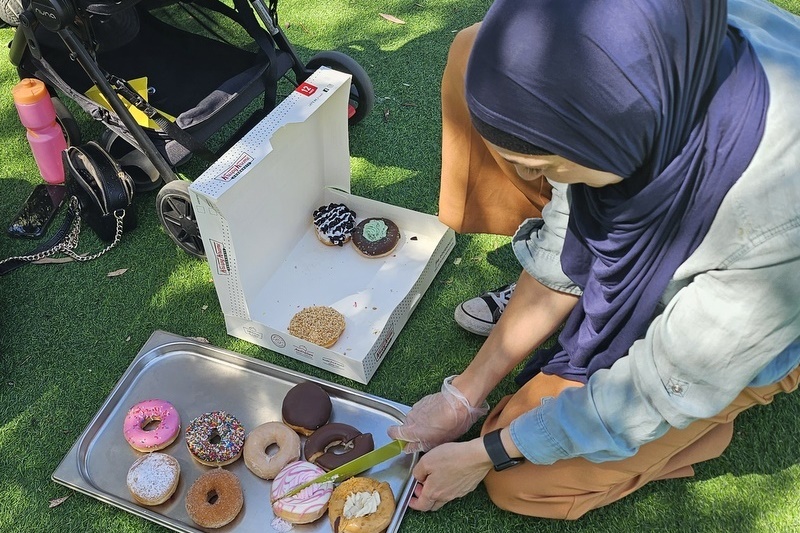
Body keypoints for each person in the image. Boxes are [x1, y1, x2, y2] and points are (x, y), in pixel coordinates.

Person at [388, 0, 800, 520]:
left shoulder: (779, 220)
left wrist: (481, 454)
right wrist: (464, 397)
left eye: (536, 167)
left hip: (758, 315)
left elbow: (652, 392)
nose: (535, 183)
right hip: (646, 183)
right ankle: (613, 291)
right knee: (478, 54)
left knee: (516, 483)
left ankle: (709, 417)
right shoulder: (641, 68)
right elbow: (568, 232)